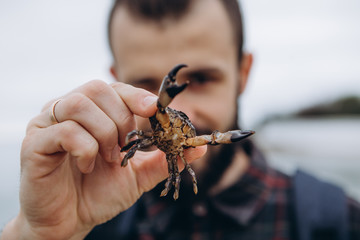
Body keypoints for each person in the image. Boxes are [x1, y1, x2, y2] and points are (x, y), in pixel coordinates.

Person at [1, 0, 359, 239]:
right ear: (116, 78)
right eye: (145, 85)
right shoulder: (86, 223)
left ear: (243, 72)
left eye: (203, 79)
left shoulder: (339, 221)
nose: (191, 108)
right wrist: (36, 232)